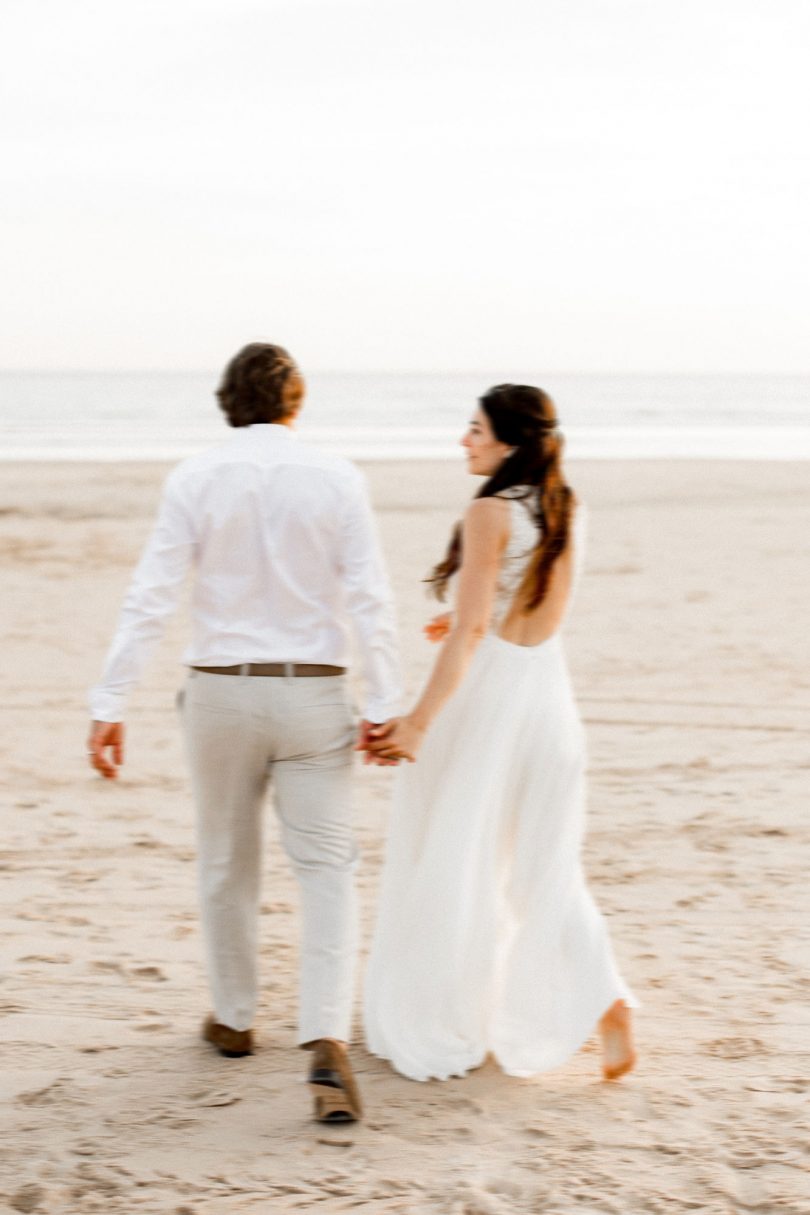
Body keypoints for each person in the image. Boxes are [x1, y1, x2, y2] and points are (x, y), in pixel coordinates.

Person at [87, 342, 401, 1123]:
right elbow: (370, 598)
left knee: (228, 859)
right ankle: (325, 1033)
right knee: (327, 867)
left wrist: (110, 699)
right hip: (315, 691)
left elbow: (151, 595)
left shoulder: (195, 477)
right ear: (296, 401)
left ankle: (234, 1016)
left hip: (222, 693)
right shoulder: (337, 477)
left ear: (227, 400)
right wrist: (387, 698)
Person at [362, 383, 637, 1083]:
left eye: (475, 429)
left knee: (455, 854)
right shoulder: (564, 505)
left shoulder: (487, 510)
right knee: (544, 863)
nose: (465, 440)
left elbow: (479, 627)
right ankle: (605, 999)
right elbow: (534, 611)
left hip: (488, 704)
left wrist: (419, 720)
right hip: (548, 696)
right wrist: (457, 625)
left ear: (509, 441)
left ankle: (448, 1006)